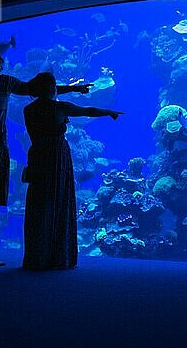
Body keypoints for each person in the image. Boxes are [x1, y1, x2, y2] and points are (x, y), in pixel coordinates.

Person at [0, 51, 92, 268]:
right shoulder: (3, 81)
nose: (3, 70)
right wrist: (74, 89)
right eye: (1, 66)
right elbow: (39, 90)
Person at [22, 72, 122, 270]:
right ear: (53, 89)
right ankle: (59, 256)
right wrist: (109, 111)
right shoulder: (60, 107)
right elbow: (89, 111)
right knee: (59, 200)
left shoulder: (28, 109)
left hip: (37, 154)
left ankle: (37, 255)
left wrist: (74, 88)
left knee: (39, 202)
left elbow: (49, 93)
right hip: (56, 157)